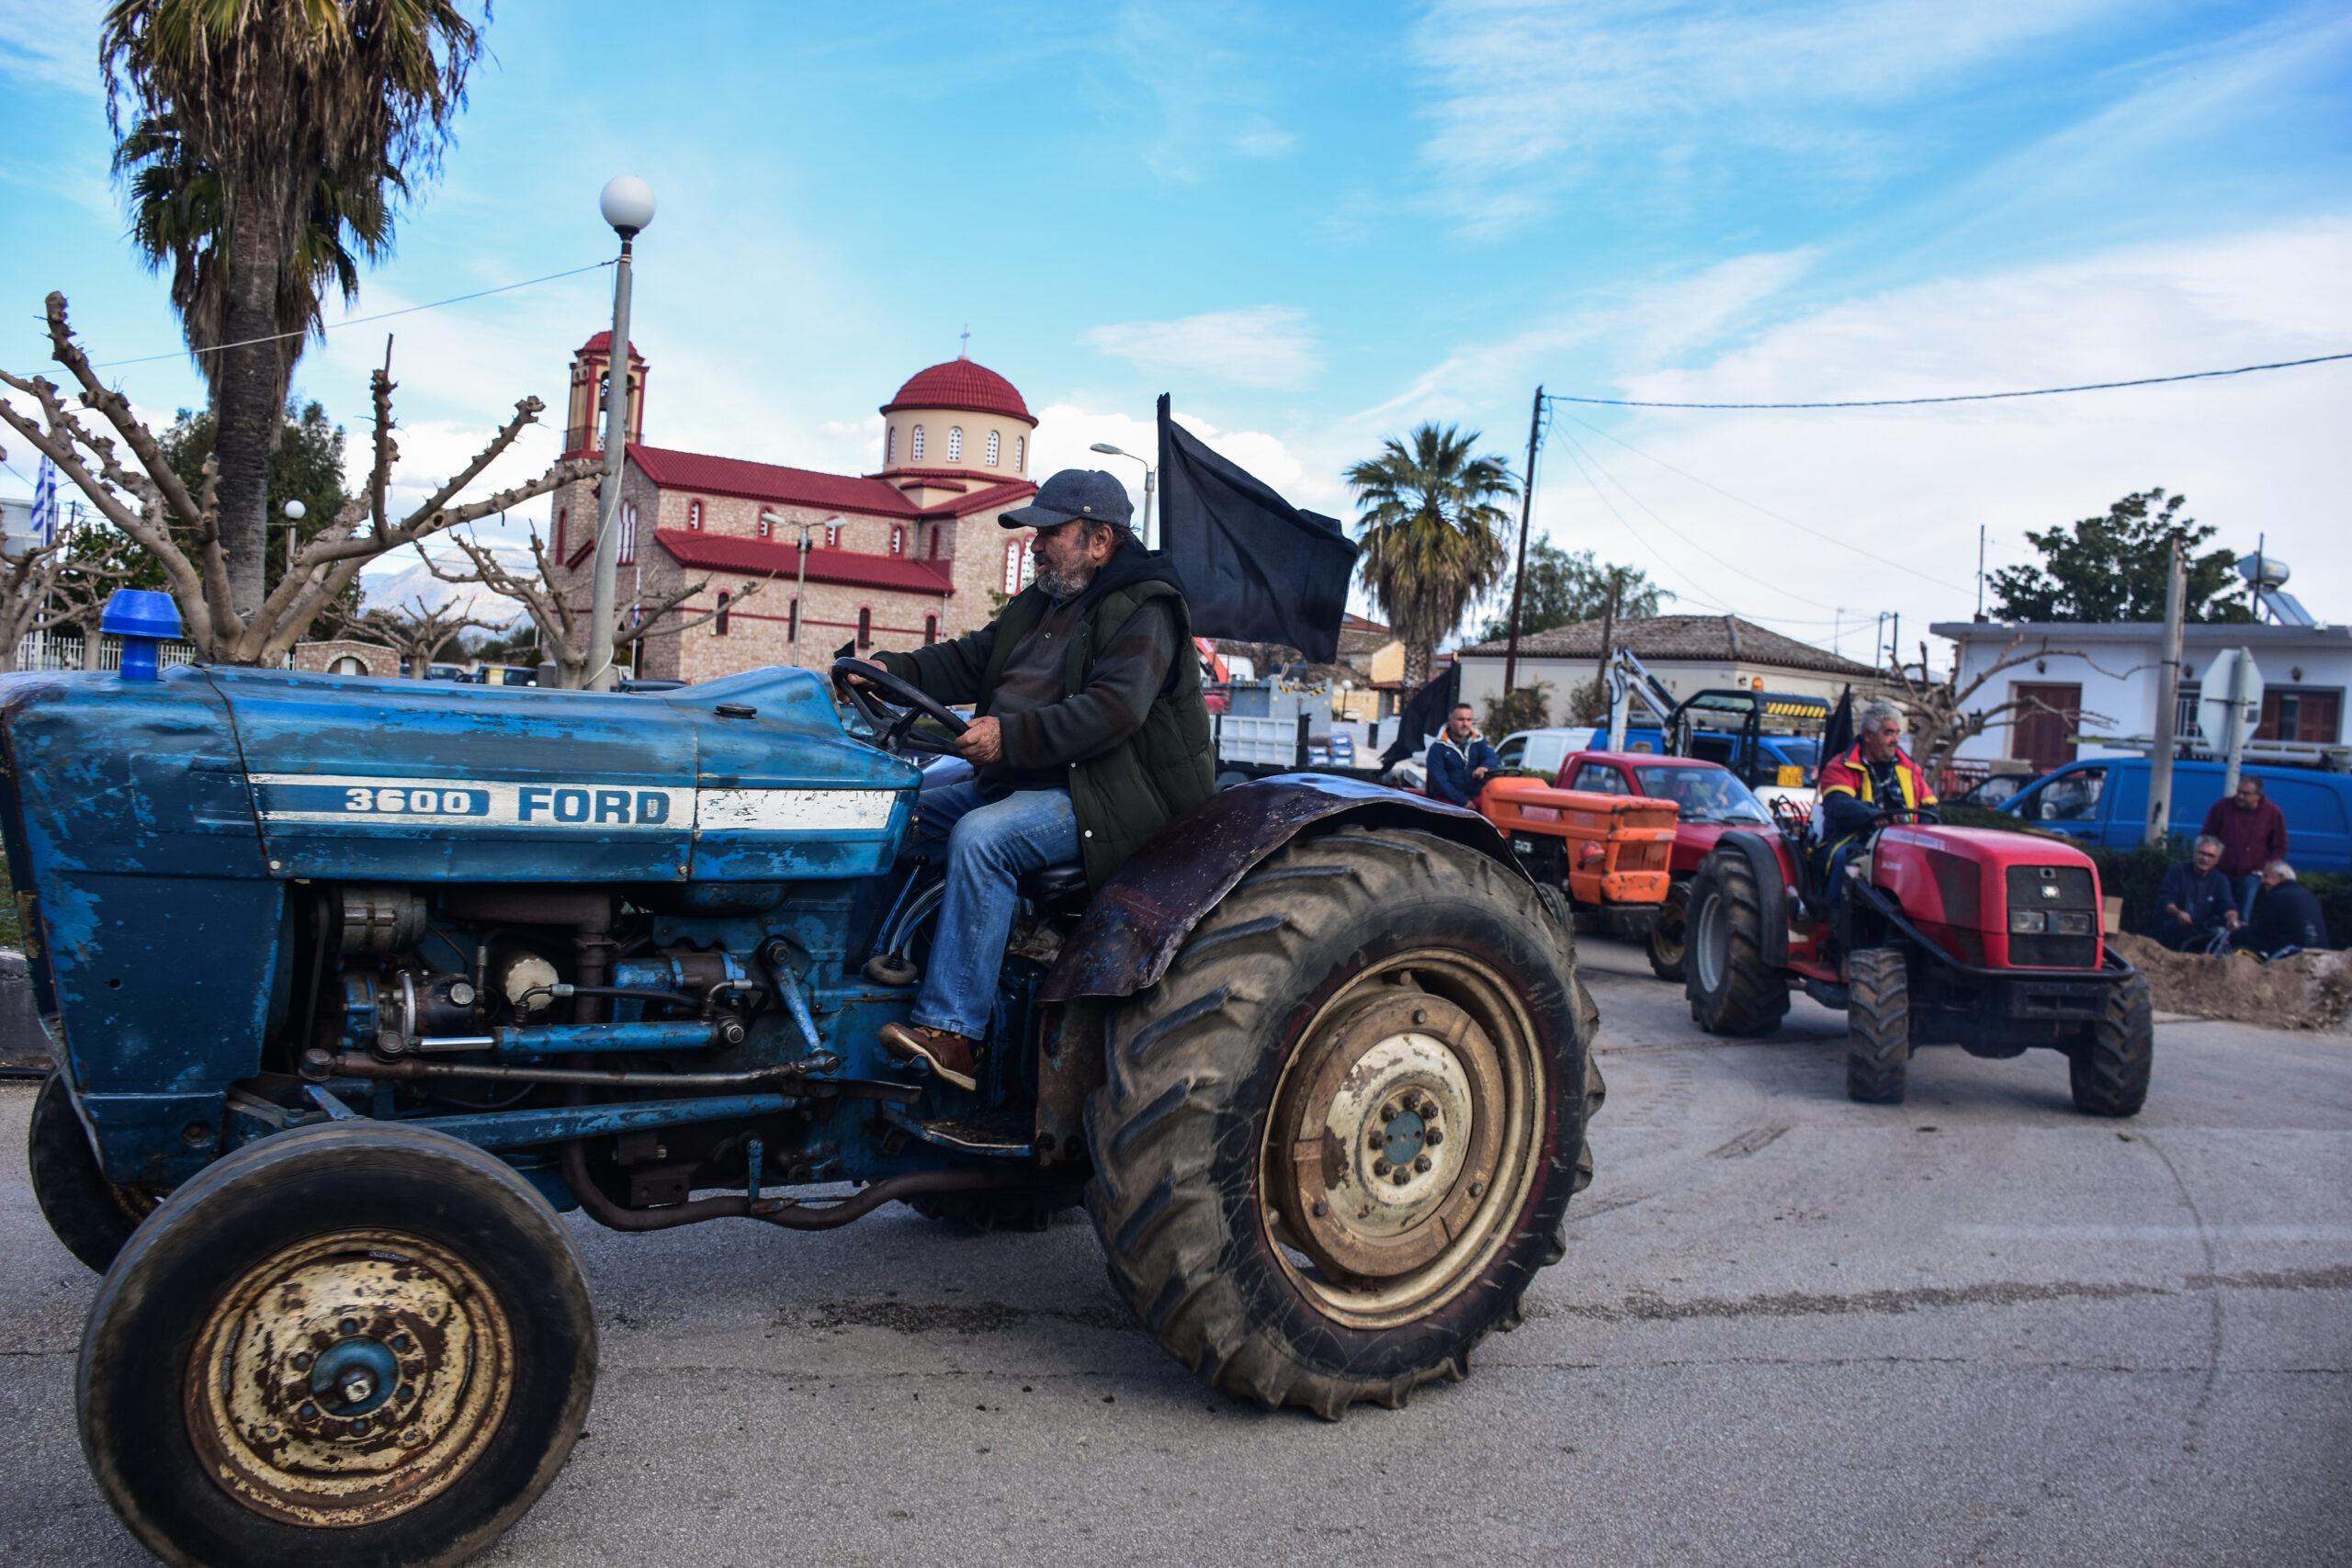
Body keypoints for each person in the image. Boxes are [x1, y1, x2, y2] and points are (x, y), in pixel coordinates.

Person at [857, 469, 1214, 1089]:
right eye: (1035, 533)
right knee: (893, 809)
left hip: (1105, 795)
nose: (1034, 545)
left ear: (1100, 540)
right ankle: (862, 972)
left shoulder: (1145, 607)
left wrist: (1007, 737)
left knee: (982, 837)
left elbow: (1115, 709)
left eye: (1050, 532)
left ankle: (954, 1032)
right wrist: (886, 667)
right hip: (1030, 778)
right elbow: (970, 659)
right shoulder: (1043, 603)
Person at [1813, 700, 1937, 895]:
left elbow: (1930, 808)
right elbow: (1838, 805)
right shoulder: (1840, 767)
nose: (1895, 739)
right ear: (1868, 735)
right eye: (1889, 733)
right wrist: (1875, 816)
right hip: (1854, 840)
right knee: (1846, 859)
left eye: (1897, 733)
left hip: (1905, 843)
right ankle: (1838, 920)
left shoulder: (1910, 770)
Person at [2200, 774, 2288, 922]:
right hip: (2222, 870)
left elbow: (2280, 846)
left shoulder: (2272, 813)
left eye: (2245, 793)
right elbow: (2208, 835)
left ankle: (2239, 941)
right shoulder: (2223, 806)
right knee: (2216, 912)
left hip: (2251, 875)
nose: (2240, 796)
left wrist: (2264, 868)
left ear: (2258, 796)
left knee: (2243, 914)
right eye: (2238, 791)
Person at [2152, 834, 2240, 953]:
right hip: (2174, 927)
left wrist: (2232, 918)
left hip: (2203, 930)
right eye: (2201, 853)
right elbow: (2166, 901)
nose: (2205, 858)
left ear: (2217, 860)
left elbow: (2228, 905)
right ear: (2194, 853)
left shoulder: (2220, 880)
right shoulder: (2177, 872)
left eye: (2210, 856)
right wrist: (2179, 913)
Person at [2229, 861, 2330, 957]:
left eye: (2266, 876)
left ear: (2281, 877)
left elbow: (2260, 930)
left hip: (2292, 951)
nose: (2262, 881)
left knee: (2239, 936)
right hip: (2318, 950)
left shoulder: (2277, 896)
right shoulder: (2308, 895)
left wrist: (2238, 930)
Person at [1425, 704, 1500, 807]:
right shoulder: (1438, 748)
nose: (1465, 724)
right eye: (1461, 719)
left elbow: (1492, 757)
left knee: (1498, 807)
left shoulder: (1480, 741)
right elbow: (1440, 782)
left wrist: (1485, 767)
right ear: (1450, 720)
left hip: (1477, 796)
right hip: (1448, 800)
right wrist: (1463, 801)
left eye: (1469, 720)